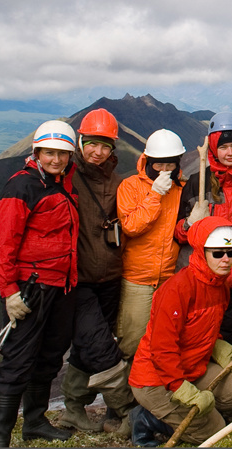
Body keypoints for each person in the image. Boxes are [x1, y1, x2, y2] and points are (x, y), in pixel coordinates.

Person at [0, 120, 79, 446]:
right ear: (37, 152)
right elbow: (3, 246)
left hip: (61, 286)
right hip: (31, 288)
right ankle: (0, 437)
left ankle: (35, 423)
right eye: (50, 153)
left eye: (63, 154)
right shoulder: (21, 187)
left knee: (50, 356)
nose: (56, 159)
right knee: (17, 360)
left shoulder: (63, 184)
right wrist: (9, 293)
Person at [128, 217, 232, 446]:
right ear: (202, 251)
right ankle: (146, 419)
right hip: (156, 379)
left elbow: (207, 330)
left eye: (231, 252)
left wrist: (223, 350)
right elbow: (161, 349)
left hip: (193, 368)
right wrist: (180, 388)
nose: (226, 260)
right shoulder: (176, 289)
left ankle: (191, 411)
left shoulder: (220, 285)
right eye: (217, 253)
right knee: (215, 432)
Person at [174, 112, 232, 398]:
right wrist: (191, 223)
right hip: (206, 282)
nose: (230, 152)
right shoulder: (196, 184)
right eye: (223, 146)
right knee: (205, 339)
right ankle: (210, 392)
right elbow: (178, 235)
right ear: (214, 148)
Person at [59, 109, 135, 437]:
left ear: (112, 149)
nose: (97, 152)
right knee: (102, 347)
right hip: (79, 282)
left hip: (111, 279)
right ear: (80, 142)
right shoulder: (68, 178)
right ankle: (127, 411)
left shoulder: (120, 184)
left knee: (86, 347)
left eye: (104, 146)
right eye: (91, 144)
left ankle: (73, 410)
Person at [116, 129, 185, 361]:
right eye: (158, 166)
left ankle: (151, 392)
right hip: (137, 279)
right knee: (132, 342)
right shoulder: (130, 186)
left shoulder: (181, 190)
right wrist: (155, 195)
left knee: (164, 340)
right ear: (148, 162)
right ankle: (127, 395)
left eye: (170, 166)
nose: (165, 171)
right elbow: (132, 227)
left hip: (168, 278)